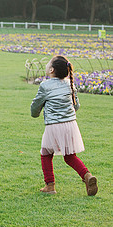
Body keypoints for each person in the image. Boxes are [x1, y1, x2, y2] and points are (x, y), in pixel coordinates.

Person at [31, 55, 98, 196]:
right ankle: (87, 176)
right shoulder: (70, 84)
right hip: (71, 125)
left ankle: (50, 186)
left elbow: (36, 105)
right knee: (69, 156)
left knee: (45, 154)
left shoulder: (45, 85)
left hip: (54, 126)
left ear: (51, 70)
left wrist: (35, 114)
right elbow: (76, 106)